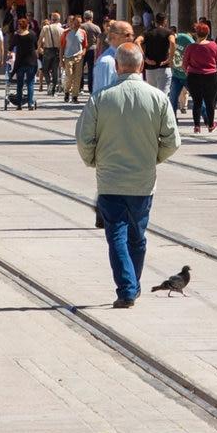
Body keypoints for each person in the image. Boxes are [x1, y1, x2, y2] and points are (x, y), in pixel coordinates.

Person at [75, 44, 181, 308]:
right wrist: (154, 158)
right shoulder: (158, 98)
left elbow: (84, 138)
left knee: (117, 237)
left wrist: (93, 160)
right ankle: (132, 286)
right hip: (143, 182)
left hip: (110, 181)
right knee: (137, 236)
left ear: (117, 66)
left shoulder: (100, 98)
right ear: (142, 66)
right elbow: (173, 140)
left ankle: (127, 288)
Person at [181, 23, 217, 133]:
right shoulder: (213, 45)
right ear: (207, 33)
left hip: (194, 76)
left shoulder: (190, 47)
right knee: (210, 102)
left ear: (196, 34)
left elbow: (184, 63)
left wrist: (188, 72)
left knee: (197, 102)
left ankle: (196, 126)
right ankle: (210, 125)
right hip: (211, 76)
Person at [7, 15, 38, 111]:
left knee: (20, 84)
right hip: (31, 62)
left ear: (19, 26)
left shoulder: (17, 36)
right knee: (30, 84)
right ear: (27, 26)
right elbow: (36, 46)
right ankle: (30, 104)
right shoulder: (32, 34)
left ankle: (19, 104)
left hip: (20, 63)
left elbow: (10, 48)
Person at [60, 16, 87, 104]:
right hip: (68, 57)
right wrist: (61, 60)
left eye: (80, 22)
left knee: (77, 77)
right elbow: (62, 47)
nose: (78, 24)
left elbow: (85, 45)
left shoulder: (83, 32)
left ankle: (75, 96)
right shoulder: (66, 33)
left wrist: (83, 52)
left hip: (79, 57)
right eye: (76, 22)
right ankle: (67, 91)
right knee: (70, 76)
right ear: (72, 22)